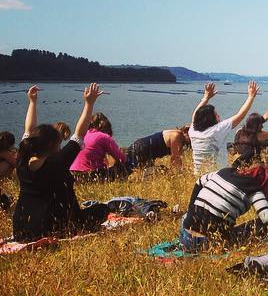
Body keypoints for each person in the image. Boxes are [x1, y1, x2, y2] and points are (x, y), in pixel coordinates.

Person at [13, 84, 111, 240]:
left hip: (21, 229)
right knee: (101, 210)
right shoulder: (57, 162)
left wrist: (32, 102)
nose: (61, 147)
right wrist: (89, 104)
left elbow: (29, 130)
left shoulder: (21, 159)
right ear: (52, 146)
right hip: (52, 227)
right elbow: (79, 133)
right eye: (59, 143)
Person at [180, 161, 268, 250]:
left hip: (186, 236)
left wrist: (191, 210)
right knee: (261, 224)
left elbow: (199, 182)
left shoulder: (225, 171)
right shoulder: (255, 190)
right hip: (210, 244)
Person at [189, 81, 260, 172]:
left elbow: (195, 115)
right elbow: (240, 115)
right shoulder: (217, 130)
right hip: (218, 175)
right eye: (216, 115)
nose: (219, 116)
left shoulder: (193, 131)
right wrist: (251, 97)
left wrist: (206, 97)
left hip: (199, 176)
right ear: (210, 119)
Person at [69, 112, 130, 180]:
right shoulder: (104, 137)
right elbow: (121, 158)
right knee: (124, 167)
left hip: (72, 174)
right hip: (90, 175)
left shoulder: (81, 135)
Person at [126, 126, 191, 170]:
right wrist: (178, 174)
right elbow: (175, 159)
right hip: (141, 149)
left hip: (142, 148)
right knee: (124, 173)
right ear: (186, 132)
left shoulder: (177, 135)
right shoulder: (176, 136)